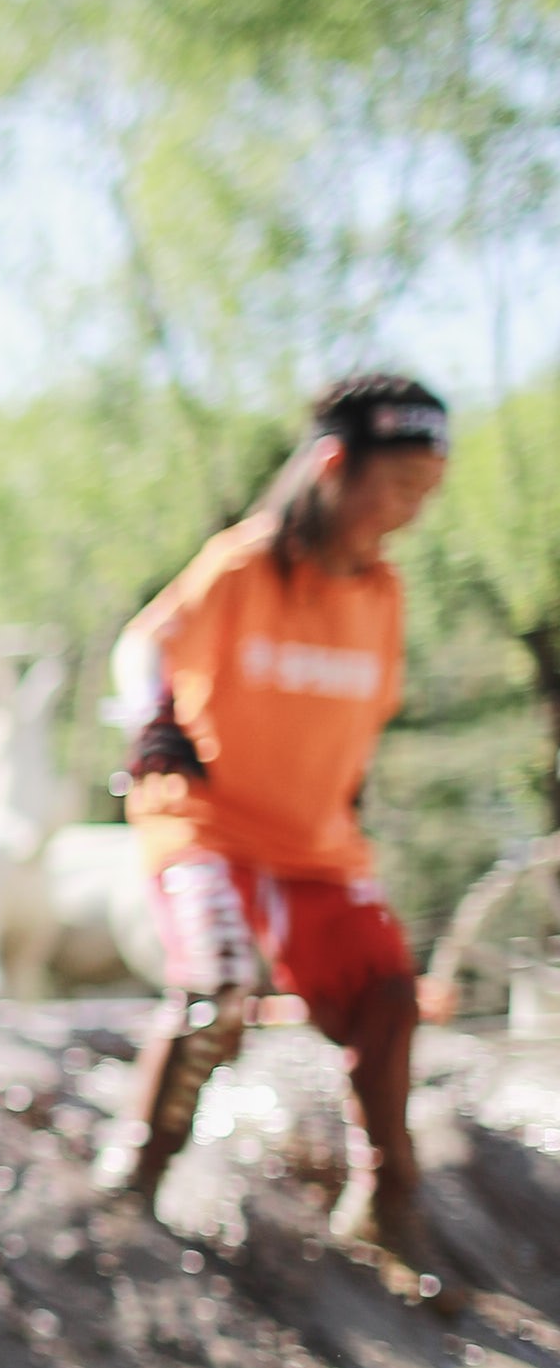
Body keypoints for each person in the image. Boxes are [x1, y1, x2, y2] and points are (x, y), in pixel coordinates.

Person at [105, 374, 453, 1289]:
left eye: (428, 493)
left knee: (388, 993)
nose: (412, 512)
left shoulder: (383, 593)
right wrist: (152, 720)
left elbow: (357, 724)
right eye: (401, 487)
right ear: (335, 463)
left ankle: (389, 1199)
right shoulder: (243, 564)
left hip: (314, 845)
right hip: (205, 824)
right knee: (218, 990)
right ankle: (135, 1182)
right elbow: (145, 644)